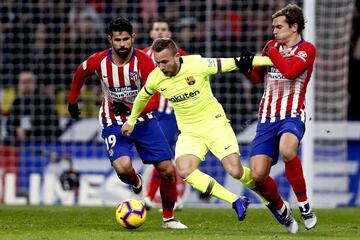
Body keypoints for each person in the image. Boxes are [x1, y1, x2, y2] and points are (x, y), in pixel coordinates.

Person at [121, 38, 275, 222]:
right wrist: (131, 120)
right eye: (158, 62)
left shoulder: (197, 64)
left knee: (235, 171)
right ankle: (235, 200)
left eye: (165, 62)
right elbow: (142, 98)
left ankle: (272, 199)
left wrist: (273, 62)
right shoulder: (156, 77)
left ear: (177, 57)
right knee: (184, 170)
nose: (161, 67)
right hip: (189, 132)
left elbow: (233, 62)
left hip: (214, 124)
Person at [67, 17, 187, 229]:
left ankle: (168, 218)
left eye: (126, 39)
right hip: (112, 121)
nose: (122, 44)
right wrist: (72, 100)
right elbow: (80, 72)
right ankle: (137, 182)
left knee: (167, 170)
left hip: (144, 121)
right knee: (123, 169)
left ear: (132, 38)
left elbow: (154, 98)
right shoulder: (99, 61)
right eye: (117, 40)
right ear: (110, 40)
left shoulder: (143, 61)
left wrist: (132, 111)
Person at [238, 4, 318, 234]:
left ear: (294, 27)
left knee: (287, 151)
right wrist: (246, 69)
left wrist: (271, 53)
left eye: (279, 27)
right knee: (257, 175)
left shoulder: (306, 49)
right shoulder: (271, 46)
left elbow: (291, 71)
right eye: (273, 27)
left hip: (292, 115)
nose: (274, 31)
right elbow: (257, 78)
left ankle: (305, 207)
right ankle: (282, 208)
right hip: (267, 119)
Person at [143, 18, 187, 210]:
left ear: (169, 34)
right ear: (151, 34)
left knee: (162, 155)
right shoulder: (142, 56)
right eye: (156, 29)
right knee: (158, 156)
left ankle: (158, 197)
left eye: (163, 29)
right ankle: (156, 196)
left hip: (169, 112)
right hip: (147, 112)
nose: (160, 32)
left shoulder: (181, 56)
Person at [6, 70, 60, 143]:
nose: (26, 85)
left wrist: (28, 133)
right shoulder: (16, 102)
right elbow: (9, 126)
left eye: (29, 81)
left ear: (35, 83)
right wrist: (16, 132)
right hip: (21, 145)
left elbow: (54, 128)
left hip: (42, 144)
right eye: (23, 82)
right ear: (19, 85)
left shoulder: (46, 102)